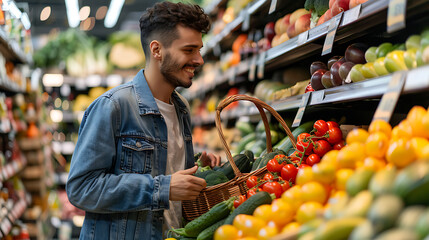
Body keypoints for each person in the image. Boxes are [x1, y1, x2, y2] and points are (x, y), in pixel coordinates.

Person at [66, 2, 220, 239]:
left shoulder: (182, 108)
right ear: (157, 50)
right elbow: (81, 188)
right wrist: (161, 188)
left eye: (199, 50)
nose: (199, 59)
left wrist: (197, 166)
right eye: (189, 50)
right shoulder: (114, 106)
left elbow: (158, 164)